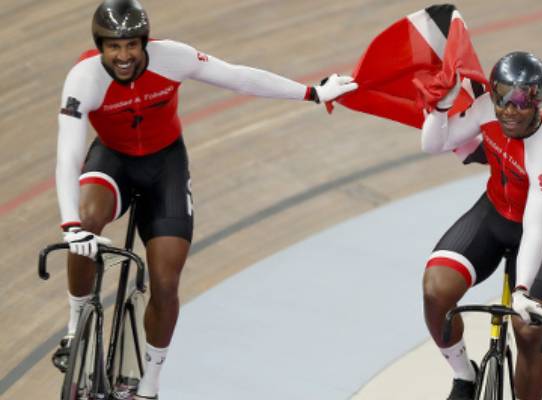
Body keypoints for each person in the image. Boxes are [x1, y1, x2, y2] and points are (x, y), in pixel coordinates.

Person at [52, 1, 357, 399]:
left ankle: (150, 384)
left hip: (166, 166)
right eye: (113, 46)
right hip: (114, 161)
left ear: (145, 42)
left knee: (165, 281)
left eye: (131, 45)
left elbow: (238, 78)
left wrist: (312, 93)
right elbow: (68, 154)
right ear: (100, 47)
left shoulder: (172, 57)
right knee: (86, 219)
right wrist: (70, 224)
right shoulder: (84, 78)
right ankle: (77, 330)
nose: (123, 55)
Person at [420, 51, 542, 400]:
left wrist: (521, 292)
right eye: (501, 96)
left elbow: (535, 227)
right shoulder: (488, 108)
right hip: (493, 214)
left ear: (537, 102)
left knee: (529, 331)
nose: (507, 109)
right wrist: (441, 108)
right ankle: (464, 375)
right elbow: (435, 144)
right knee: (435, 291)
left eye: (520, 102)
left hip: (538, 231)